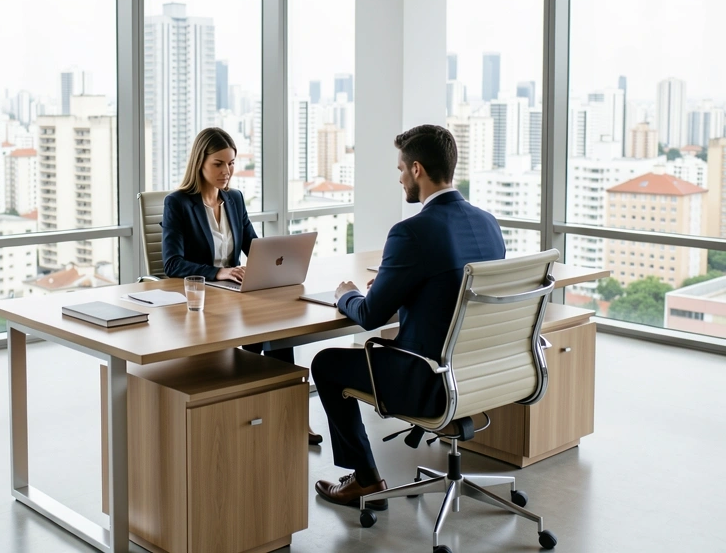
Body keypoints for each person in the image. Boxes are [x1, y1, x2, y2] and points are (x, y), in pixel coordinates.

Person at [311, 124, 506, 508]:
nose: (400, 179)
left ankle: (365, 480)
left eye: (401, 170)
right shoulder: (488, 223)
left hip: (426, 378)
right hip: (479, 372)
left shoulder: (411, 233)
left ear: (417, 169)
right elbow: (450, 292)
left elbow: (369, 316)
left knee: (327, 363)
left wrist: (345, 294)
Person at [161, 127, 323, 445]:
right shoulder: (178, 204)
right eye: (219, 164)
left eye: (232, 163)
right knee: (260, 338)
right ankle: (253, 421)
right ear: (200, 163)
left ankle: (292, 419)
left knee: (280, 330)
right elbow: (172, 264)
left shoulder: (234, 199)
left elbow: (254, 245)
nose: (227, 172)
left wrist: (274, 264)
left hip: (235, 296)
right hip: (203, 299)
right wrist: (217, 273)